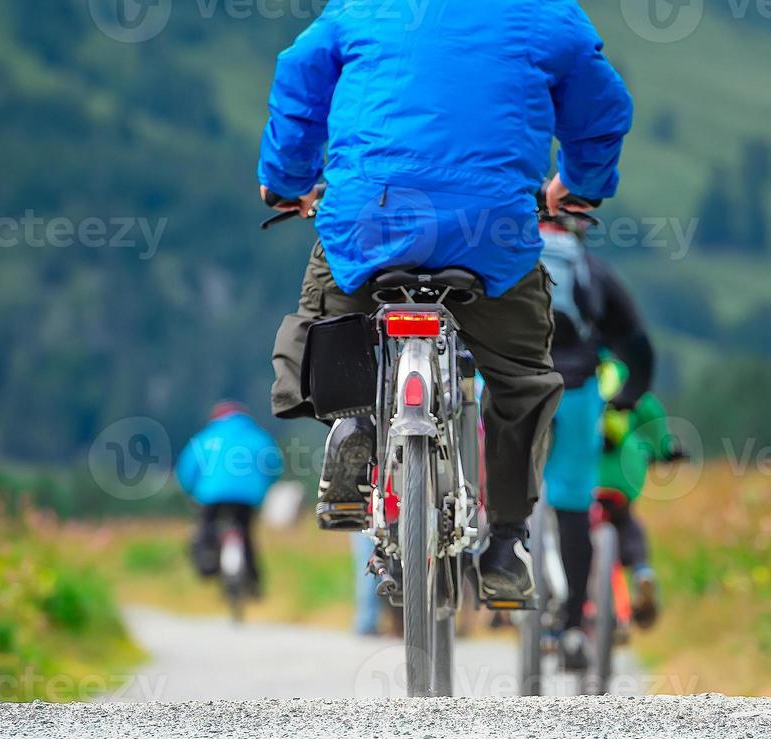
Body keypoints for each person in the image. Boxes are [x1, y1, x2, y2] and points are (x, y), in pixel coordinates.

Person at [257, 0, 633, 605]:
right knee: (522, 382)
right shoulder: (547, 14)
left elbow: (299, 72)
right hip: (490, 235)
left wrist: (287, 180)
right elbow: (604, 108)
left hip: (370, 221)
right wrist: (578, 186)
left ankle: (351, 418)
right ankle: (507, 541)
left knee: (326, 309)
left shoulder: (360, 8)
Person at [537, 214, 655, 667]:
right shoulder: (592, 271)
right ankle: (570, 628)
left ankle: (497, 551)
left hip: (512, 391)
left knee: (497, 481)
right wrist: (628, 397)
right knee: (571, 502)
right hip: (576, 393)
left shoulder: (508, 259)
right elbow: (638, 347)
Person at [598, 362, 681, 629]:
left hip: (577, 474)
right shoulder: (625, 378)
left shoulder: (569, 370)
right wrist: (666, 448)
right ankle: (642, 570)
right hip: (622, 474)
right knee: (625, 522)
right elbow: (653, 416)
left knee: (568, 527)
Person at [175, 402, 282, 595]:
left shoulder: (205, 438)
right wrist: (266, 486)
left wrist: (191, 491)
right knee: (246, 532)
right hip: (249, 496)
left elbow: (186, 470)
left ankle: (207, 560)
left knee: (206, 526)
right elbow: (274, 465)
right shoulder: (257, 436)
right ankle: (253, 582)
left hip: (211, 494)